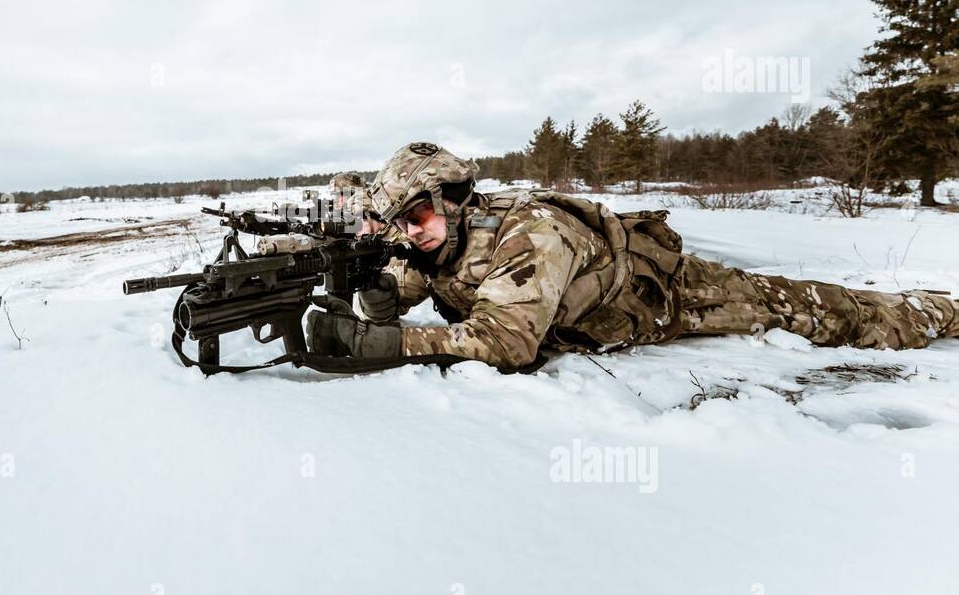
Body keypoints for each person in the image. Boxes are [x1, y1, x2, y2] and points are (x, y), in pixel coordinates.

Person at [305, 141, 959, 371]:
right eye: (398, 223)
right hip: (595, 304)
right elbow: (416, 279)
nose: (410, 233)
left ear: (452, 200)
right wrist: (381, 293)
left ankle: (939, 314)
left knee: (830, 314)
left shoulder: (527, 234)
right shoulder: (433, 239)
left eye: (417, 216)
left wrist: (386, 345)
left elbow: (508, 343)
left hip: (672, 296)